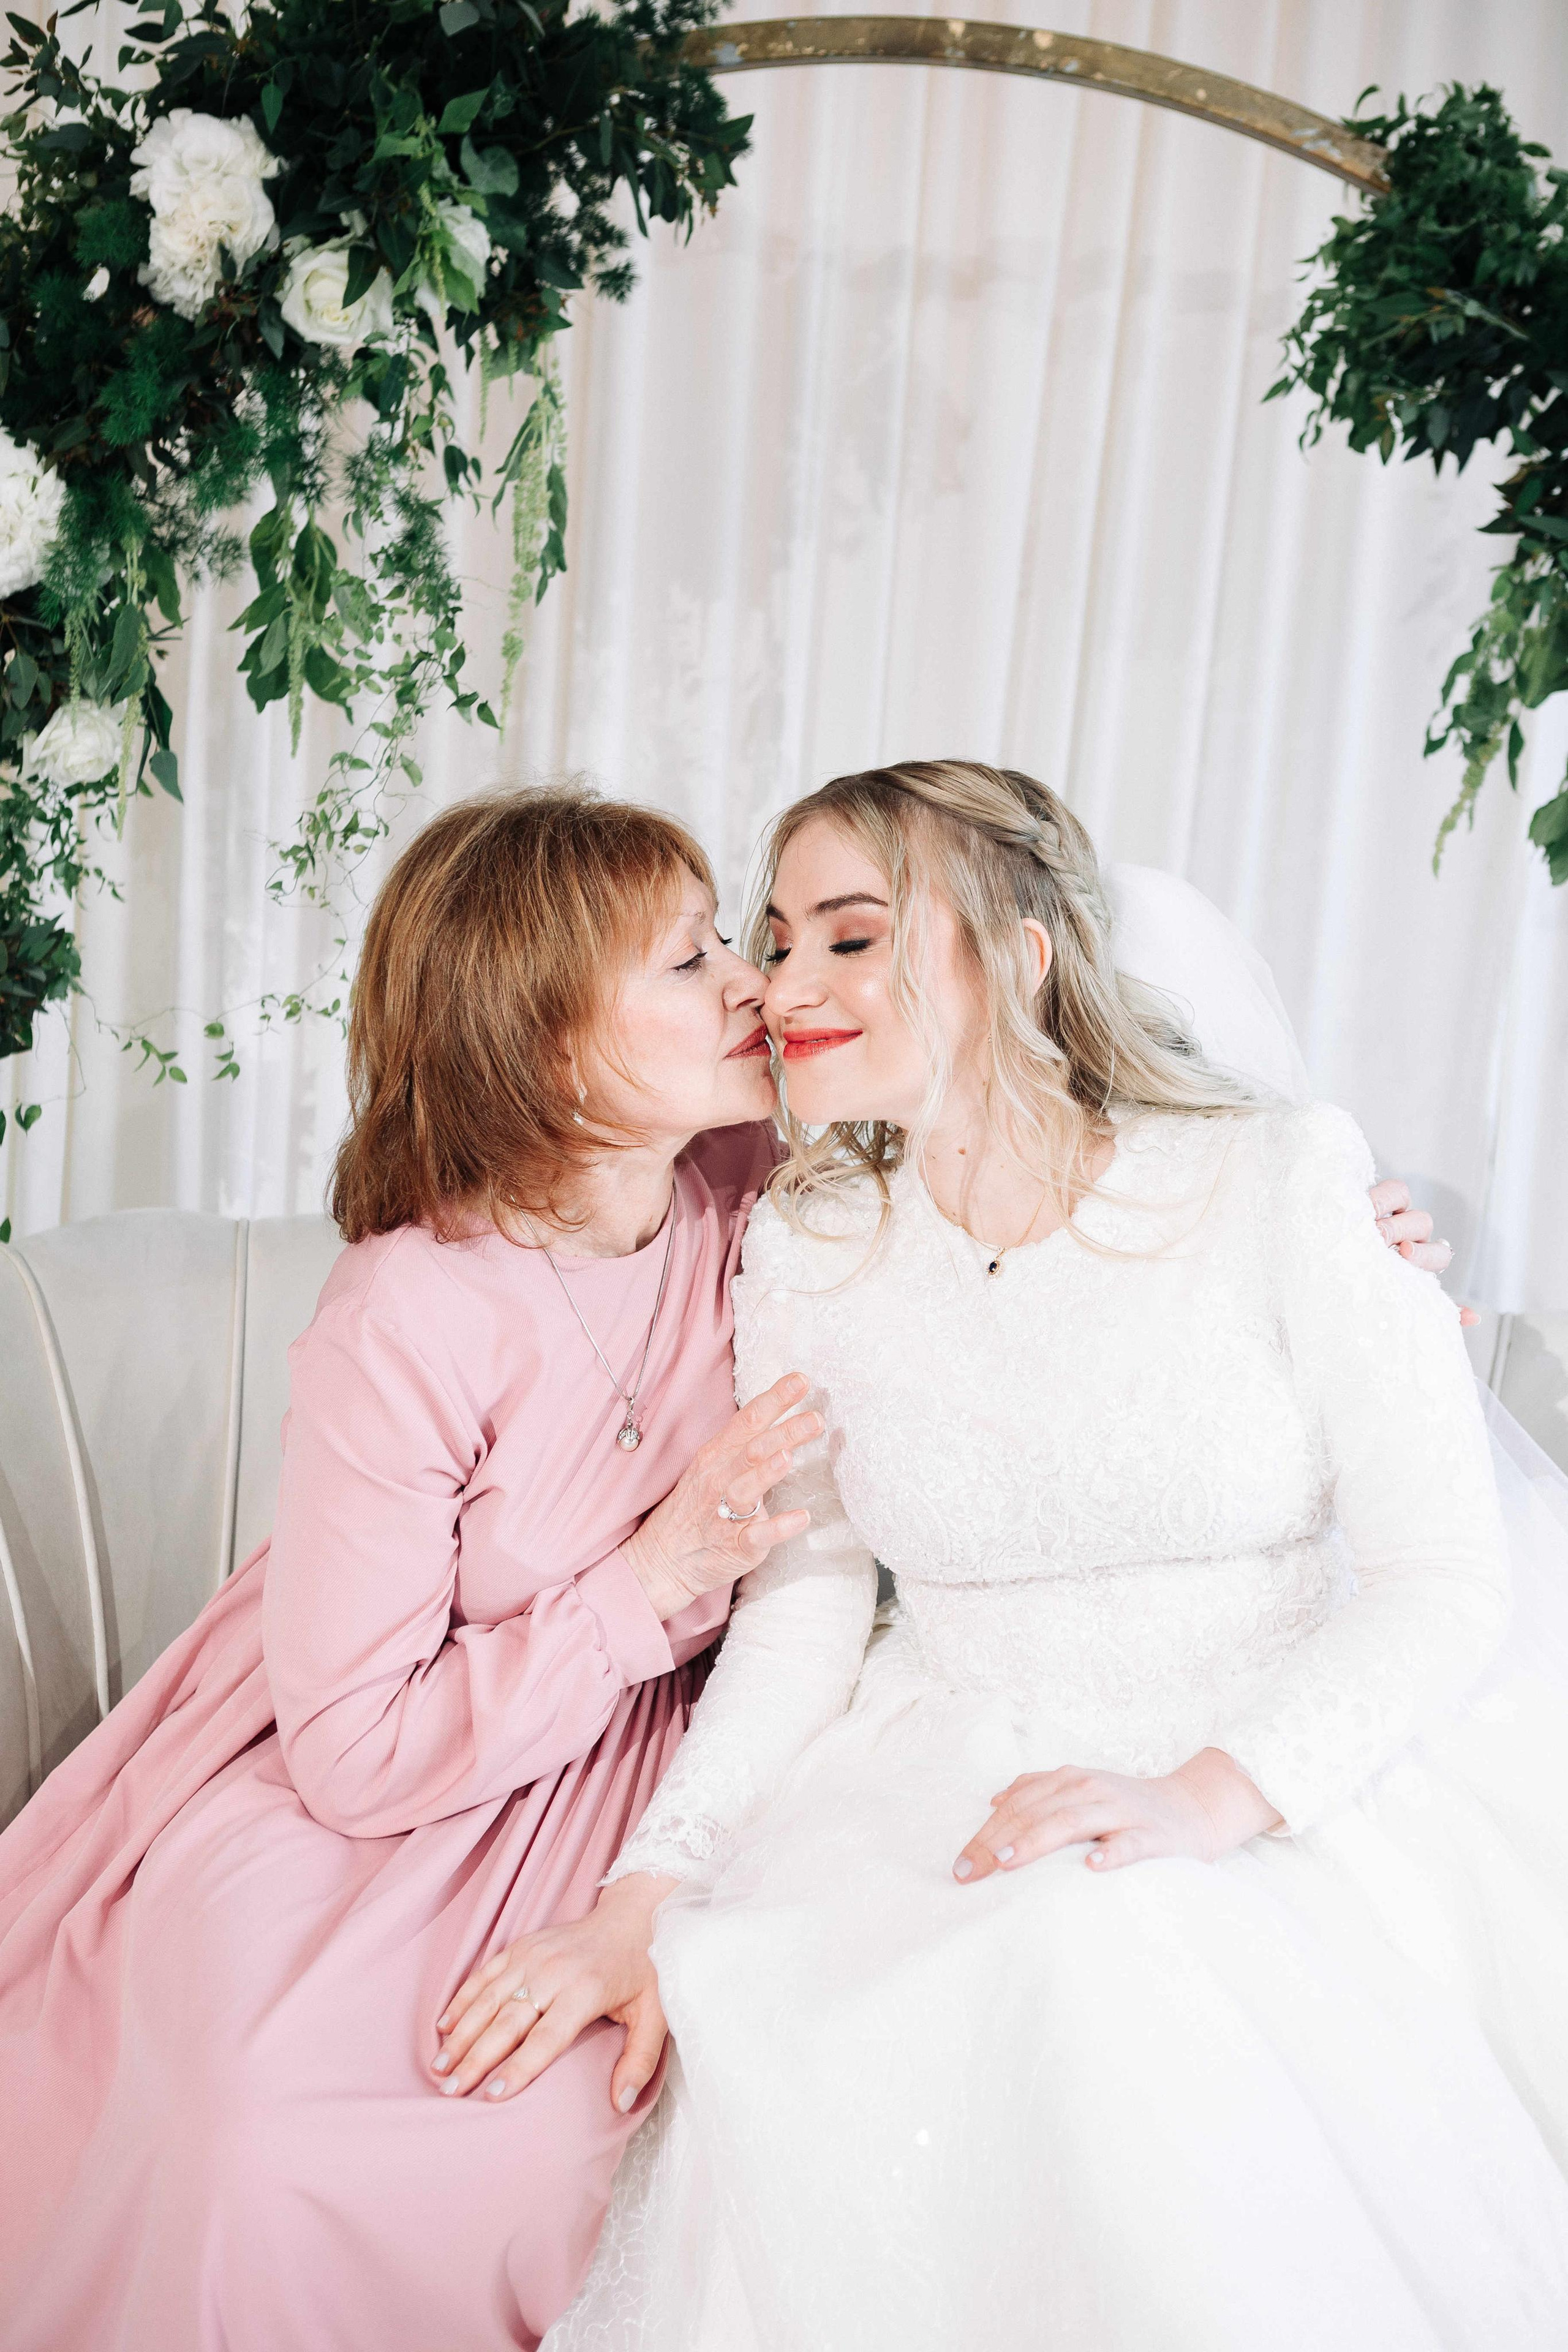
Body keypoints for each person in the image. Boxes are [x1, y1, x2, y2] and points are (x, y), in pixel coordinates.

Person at [490, 761, 1568, 2351]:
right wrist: (656, 1882)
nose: (782, 986)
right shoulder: (807, 1243)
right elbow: (802, 1610)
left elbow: (1440, 1577)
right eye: (775, 939)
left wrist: (1198, 1799)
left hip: (1269, 1762)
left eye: (850, 939)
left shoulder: (1280, 1180)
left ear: (1021, 951)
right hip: (936, 1770)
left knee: (1114, 1993)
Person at [0, 790, 816, 2352]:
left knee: (572, 2146)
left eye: (728, 939)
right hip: (370, 1773)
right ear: (543, 1041)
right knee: (256, 2137)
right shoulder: (411, 1310)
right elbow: (353, 1750)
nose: (745, 982)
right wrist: (642, 1586)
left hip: (654, 1779)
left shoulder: (771, 1183)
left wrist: (1318, 1231)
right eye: (685, 958)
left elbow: (1035, 1158)